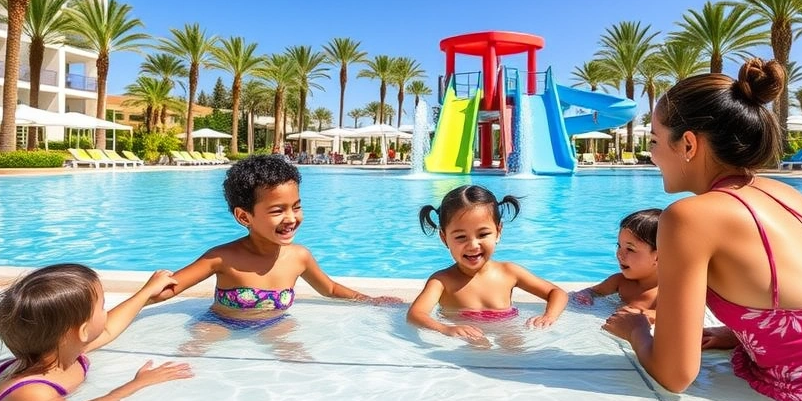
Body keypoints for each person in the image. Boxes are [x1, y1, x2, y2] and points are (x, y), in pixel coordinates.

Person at [602, 58, 802, 401]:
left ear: (687, 144)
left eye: (654, 140)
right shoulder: (785, 193)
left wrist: (636, 329)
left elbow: (676, 374)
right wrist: (739, 334)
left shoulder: (689, 217)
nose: (652, 155)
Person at [148, 155, 400, 354]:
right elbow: (170, 289)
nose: (291, 218)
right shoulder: (222, 257)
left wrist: (370, 300)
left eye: (297, 207)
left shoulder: (299, 257)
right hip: (219, 322)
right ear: (244, 216)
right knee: (190, 353)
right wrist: (146, 293)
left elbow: (330, 289)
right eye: (278, 210)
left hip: (274, 323)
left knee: (299, 359)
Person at [0, 264, 192, 401]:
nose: (106, 312)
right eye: (102, 307)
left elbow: (109, 329)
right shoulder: (32, 392)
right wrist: (137, 384)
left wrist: (147, 292)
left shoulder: (61, 349)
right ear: (83, 331)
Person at [406, 185, 568, 346]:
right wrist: (445, 329)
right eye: (461, 237)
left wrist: (549, 316)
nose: (473, 245)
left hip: (507, 330)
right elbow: (415, 315)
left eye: (483, 234)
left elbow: (557, 293)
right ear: (444, 238)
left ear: (498, 232)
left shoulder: (509, 272)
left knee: (514, 348)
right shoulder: (442, 281)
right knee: (479, 346)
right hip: (466, 338)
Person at [572, 208, 661, 319]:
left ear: (658, 257)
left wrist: (651, 315)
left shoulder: (665, 293)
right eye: (619, 246)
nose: (619, 254)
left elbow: (681, 319)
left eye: (630, 249)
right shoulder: (619, 281)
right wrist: (585, 296)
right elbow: (592, 291)